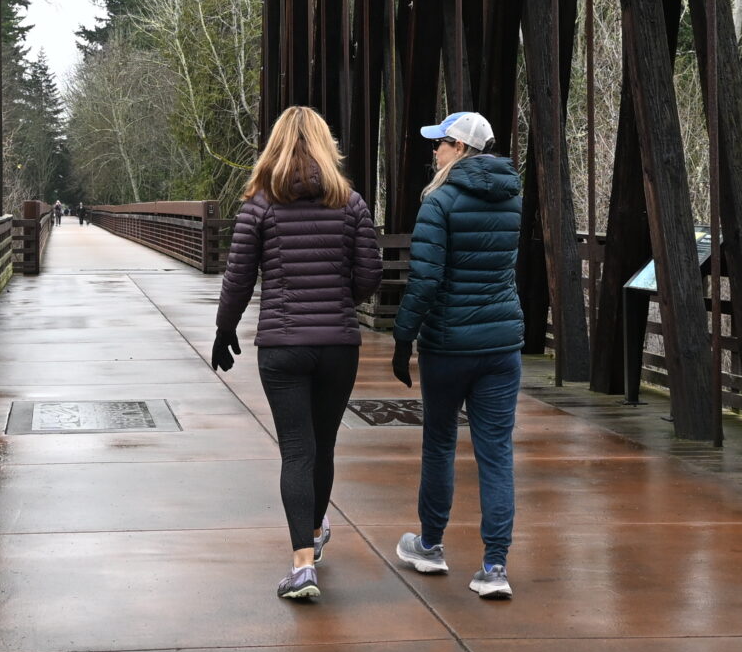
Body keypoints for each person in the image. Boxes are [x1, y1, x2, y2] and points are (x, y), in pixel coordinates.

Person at [210, 106, 382, 603]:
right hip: (337, 347)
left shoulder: (260, 205)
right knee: (322, 446)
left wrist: (225, 329)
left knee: (296, 451)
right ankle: (313, 536)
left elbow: (239, 275)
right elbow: (370, 275)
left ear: (275, 147)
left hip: (282, 346)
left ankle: (301, 567)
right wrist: (337, 305)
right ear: (327, 146)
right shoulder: (350, 203)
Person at [389, 111, 523, 599]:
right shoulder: (512, 199)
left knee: (441, 443)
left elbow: (425, 281)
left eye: (441, 143)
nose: (434, 151)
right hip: (502, 346)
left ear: (461, 150)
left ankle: (429, 545)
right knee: (496, 453)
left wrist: (404, 340)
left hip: (448, 345)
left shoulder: (439, 201)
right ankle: (494, 567)